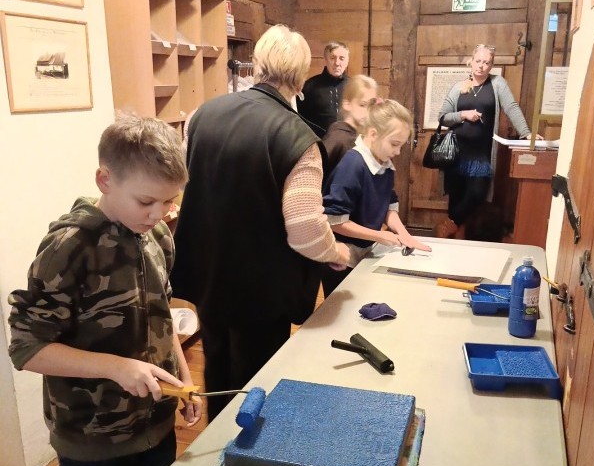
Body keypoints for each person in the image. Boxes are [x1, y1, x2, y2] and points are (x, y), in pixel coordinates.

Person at [7, 113, 200, 466]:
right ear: (105, 180)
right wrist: (116, 367)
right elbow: (27, 348)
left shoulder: (156, 235)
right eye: (146, 201)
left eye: (169, 201)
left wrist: (183, 380)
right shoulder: (71, 246)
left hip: (154, 429)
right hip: (91, 443)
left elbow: (162, 316)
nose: (159, 214)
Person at [170, 24, 350, 421]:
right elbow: (305, 229)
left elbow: (189, 183)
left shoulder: (202, 116)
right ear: (300, 80)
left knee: (217, 372)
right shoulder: (298, 137)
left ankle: (216, 442)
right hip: (262, 290)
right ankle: (243, 451)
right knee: (255, 386)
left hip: (210, 275)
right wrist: (335, 252)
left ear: (258, 65)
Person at [322, 99, 432, 296]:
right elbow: (335, 221)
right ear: (373, 134)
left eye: (401, 145)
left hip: (365, 252)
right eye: (394, 144)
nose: (398, 152)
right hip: (341, 257)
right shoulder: (352, 165)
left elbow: (389, 204)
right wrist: (380, 236)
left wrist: (404, 234)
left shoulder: (384, 162)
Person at [435, 44, 535, 239]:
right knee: (457, 197)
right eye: (478, 61)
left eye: (487, 62)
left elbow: (512, 107)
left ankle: (449, 224)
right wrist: (463, 114)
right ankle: (454, 239)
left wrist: (526, 133)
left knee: (477, 194)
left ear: (492, 65)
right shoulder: (458, 87)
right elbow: (443, 117)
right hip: (456, 154)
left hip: (481, 154)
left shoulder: (498, 84)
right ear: (471, 61)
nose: (481, 66)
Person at [321, 73, 378, 184]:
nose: (367, 111)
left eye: (371, 105)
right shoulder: (338, 138)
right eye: (362, 105)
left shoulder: (364, 138)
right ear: (347, 104)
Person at [297, 41, 350, 137]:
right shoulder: (309, 86)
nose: (337, 63)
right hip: (319, 142)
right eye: (332, 58)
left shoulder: (353, 87)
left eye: (342, 58)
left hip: (348, 142)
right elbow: (300, 119)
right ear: (325, 60)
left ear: (347, 61)